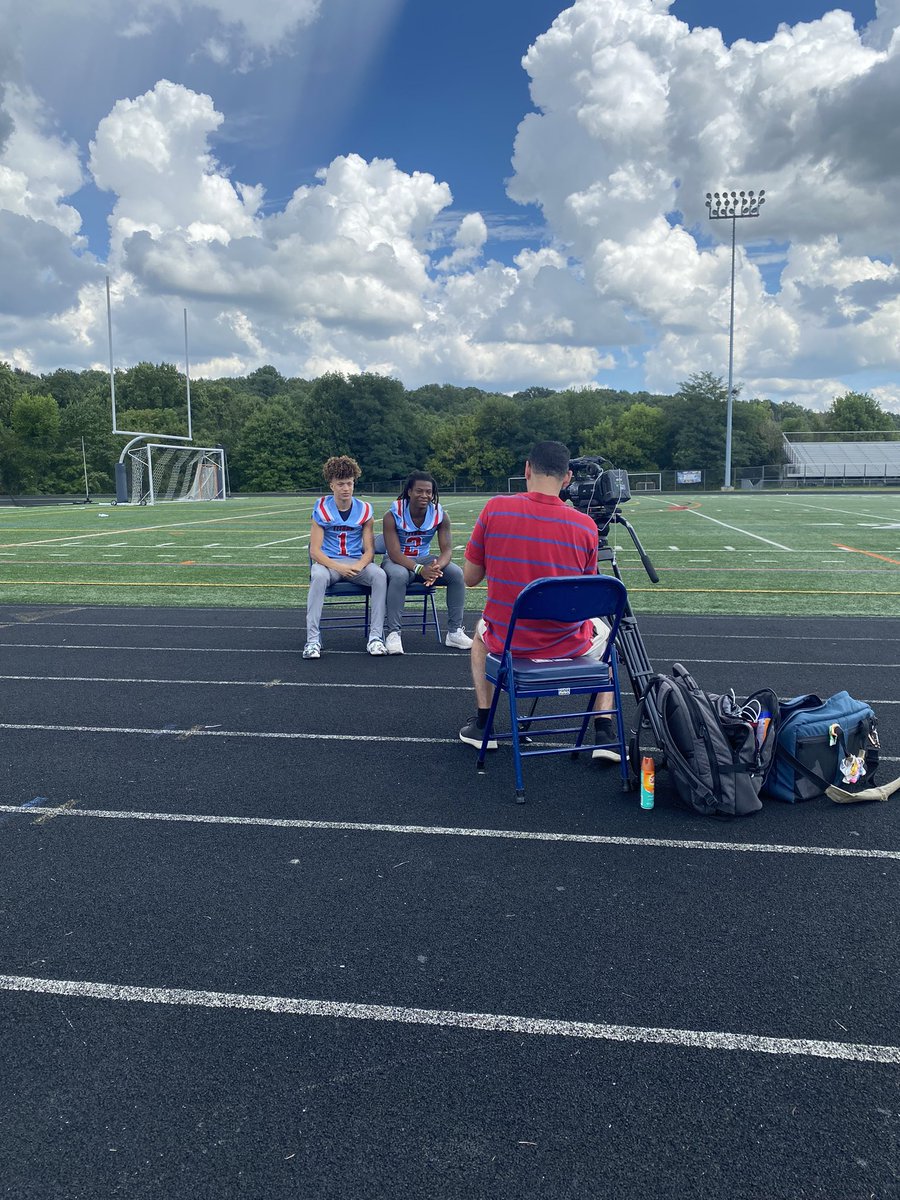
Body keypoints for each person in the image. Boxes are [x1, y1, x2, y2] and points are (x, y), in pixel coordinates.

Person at [458, 440, 619, 762]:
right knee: (609, 641)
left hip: (508, 642)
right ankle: (604, 731)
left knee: (479, 634)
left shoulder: (495, 509)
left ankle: (483, 723)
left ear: (527, 469)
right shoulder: (586, 526)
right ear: (567, 478)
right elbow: (586, 594)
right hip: (567, 644)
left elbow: (470, 578)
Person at [380, 471, 473, 655]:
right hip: (397, 561)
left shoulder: (440, 514)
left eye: (428, 492)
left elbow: (447, 550)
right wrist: (420, 569)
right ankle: (393, 633)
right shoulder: (392, 515)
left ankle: (454, 631)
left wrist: (437, 567)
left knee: (456, 574)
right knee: (398, 576)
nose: (424, 496)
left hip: (425, 560)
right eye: (419, 491)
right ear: (409, 491)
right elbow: (394, 552)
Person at [303, 455, 387, 658]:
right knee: (318, 576)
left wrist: (359, 565)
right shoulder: (322, 507)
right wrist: (339, 568)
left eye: (349, 483)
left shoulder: (365, 509)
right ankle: (312, 640)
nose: (346, 488)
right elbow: (315, 551)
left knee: (380, 576)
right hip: (329, 564)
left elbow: (369, 549)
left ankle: (376, 638)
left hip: (354, 563)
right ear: (331, 485)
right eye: (340, 484)